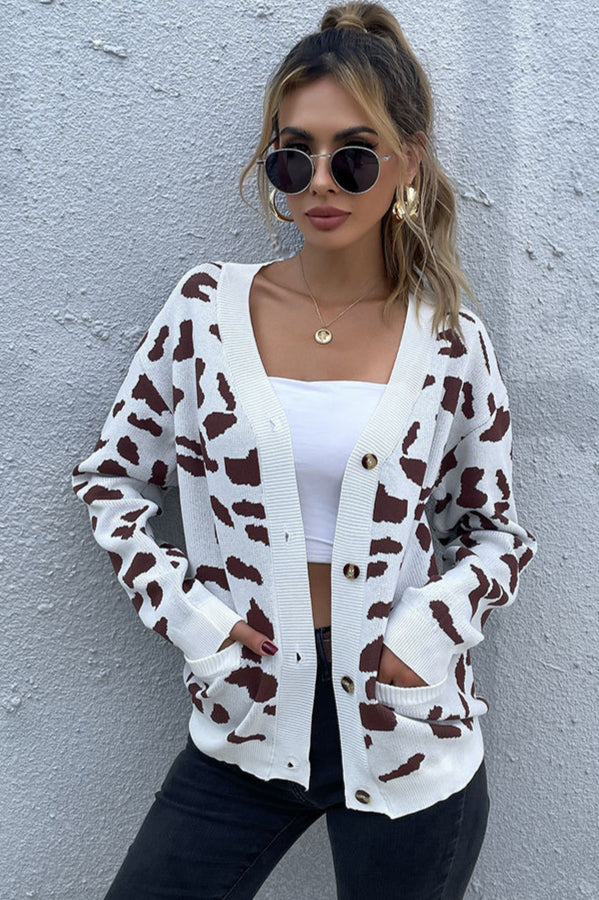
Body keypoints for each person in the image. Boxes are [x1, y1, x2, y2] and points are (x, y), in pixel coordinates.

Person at [71, 3, 538, 898]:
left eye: (353, 156)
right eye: (294, 155)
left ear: (406, 160)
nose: (320, 181)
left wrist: (425, 633)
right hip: (245, 716)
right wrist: (195, 623)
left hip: (406, 732)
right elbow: (109, 483)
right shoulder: (205, 311)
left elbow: (494, 536)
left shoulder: (449, 341)